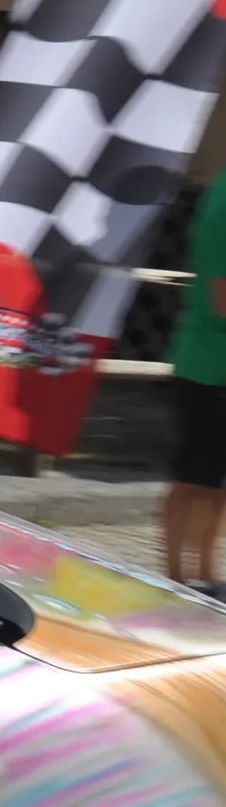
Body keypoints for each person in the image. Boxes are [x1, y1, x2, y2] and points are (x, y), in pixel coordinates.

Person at [165, 168, 226, 599]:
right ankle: (171, 578)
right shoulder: (223, 204)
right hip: (209, 363)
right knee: (193, 475)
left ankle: (206, 572)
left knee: (217, 480)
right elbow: (222, 299)